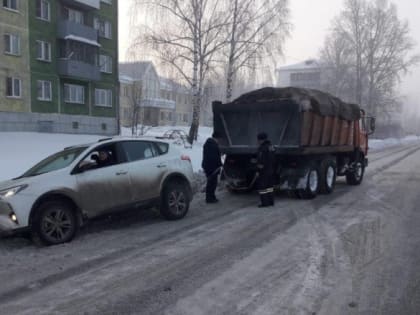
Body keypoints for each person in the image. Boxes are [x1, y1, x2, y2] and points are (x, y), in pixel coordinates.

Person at [202, 131, 223, 203]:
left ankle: (211, 197)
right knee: (212, 183)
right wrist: (219, 164)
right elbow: (215, 157)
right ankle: (210, 198)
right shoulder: (213, 145)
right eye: (219, 139)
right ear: (216, 138)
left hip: (208, 166)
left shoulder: (208, 143)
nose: (219, 140)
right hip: (212, 167)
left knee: (210, 182)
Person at [256, 132, 275, 207]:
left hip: (263, 171)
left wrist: (258, 170)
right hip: (270, 169)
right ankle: (271, 201)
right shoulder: (271, 146)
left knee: (262, 187)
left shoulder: (262, 148)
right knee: (270, 187)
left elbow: (261, 161)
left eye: (258, 140)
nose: (257, 141)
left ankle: (265, 203)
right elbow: (273, 158)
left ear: (261, 140)